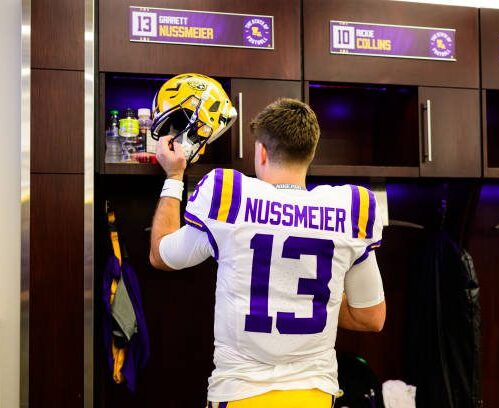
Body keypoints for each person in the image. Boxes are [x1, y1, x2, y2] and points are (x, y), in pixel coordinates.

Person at [150, 97, 386, 408]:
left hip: (240, 394)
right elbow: (371, 317)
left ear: (261, 151)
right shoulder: (352, 208)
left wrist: (174, 177)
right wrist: (311, 296)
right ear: (310, 154)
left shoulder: (228, 195)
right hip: (313, 396)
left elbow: (161, 255)